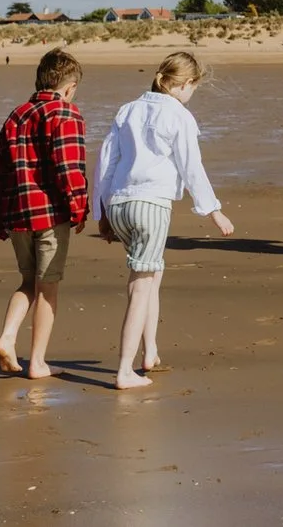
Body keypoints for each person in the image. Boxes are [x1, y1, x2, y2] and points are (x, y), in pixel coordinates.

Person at [92, 51, 236, 389]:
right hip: (150, 205)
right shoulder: (179, 115)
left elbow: (107, 161)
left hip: (120, 203)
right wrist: (212, 210)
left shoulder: (128, 109)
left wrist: (102, 211)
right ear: (184, 84)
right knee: (141, 284)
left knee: (152, 272)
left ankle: (150, 352)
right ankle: (125, 370)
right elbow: (191, 165)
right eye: (193, 88)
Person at [0, 48, 89, 379]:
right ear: (70, 87)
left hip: (17, 214)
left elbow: (0, 172)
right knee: (48, 286)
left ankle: (7, 337)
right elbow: (68, 168)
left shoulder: (17, 115)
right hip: (49, 215)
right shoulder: (66, 114)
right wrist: (79, 208)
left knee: (28, 281)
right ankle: (38, 363)